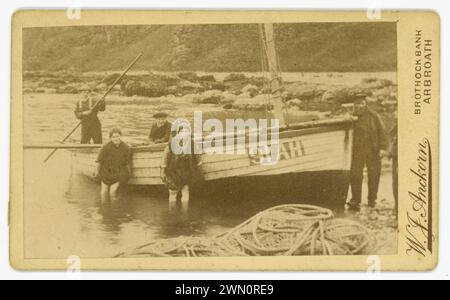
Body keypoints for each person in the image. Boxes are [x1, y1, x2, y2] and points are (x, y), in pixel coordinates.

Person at [346, 95, 388, 211]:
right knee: (355, 175)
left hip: (373, 150)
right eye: (357, 104)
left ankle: (372, 201)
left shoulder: (373, 116)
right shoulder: (351, 118)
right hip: (357, 151)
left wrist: (383, 148)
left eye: (361, 104)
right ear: (354, 105)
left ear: (365, 104)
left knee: (374, 175)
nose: (359, 106)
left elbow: (382, 132)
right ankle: (355, 201)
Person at [160, 125, 203, 210]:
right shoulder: (171, 144)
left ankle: (184, 212)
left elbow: (198, 157)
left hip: (186, 171)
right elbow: (165, 158)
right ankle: (172, 211)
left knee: (185, 190)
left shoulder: (192, 144)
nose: (185, 134)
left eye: (187, 132)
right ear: (178, 133)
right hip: (174, 171)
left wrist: (199, 168)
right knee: (173, 192)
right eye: (182, 132)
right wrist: (163, 170)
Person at [95, 128, 132, 200]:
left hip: (118, 172)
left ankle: (114, 209)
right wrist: (97, 172)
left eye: (117, 136)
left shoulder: (126, 147)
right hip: (106, 172)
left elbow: (127, 162)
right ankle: (105, 208)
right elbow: (99, 161)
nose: (116, 138)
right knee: (103, 194)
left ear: (121, 136)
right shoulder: (105, 147)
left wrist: (129, 173)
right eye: (114, 137)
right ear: (110, 138)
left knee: (112, 193)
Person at [390, 122, 398, 217]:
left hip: (399, 158)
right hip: (395, 157)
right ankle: (397, 209)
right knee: (395, 184)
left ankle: (398, 212)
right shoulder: (396, 126)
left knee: (397, 184)